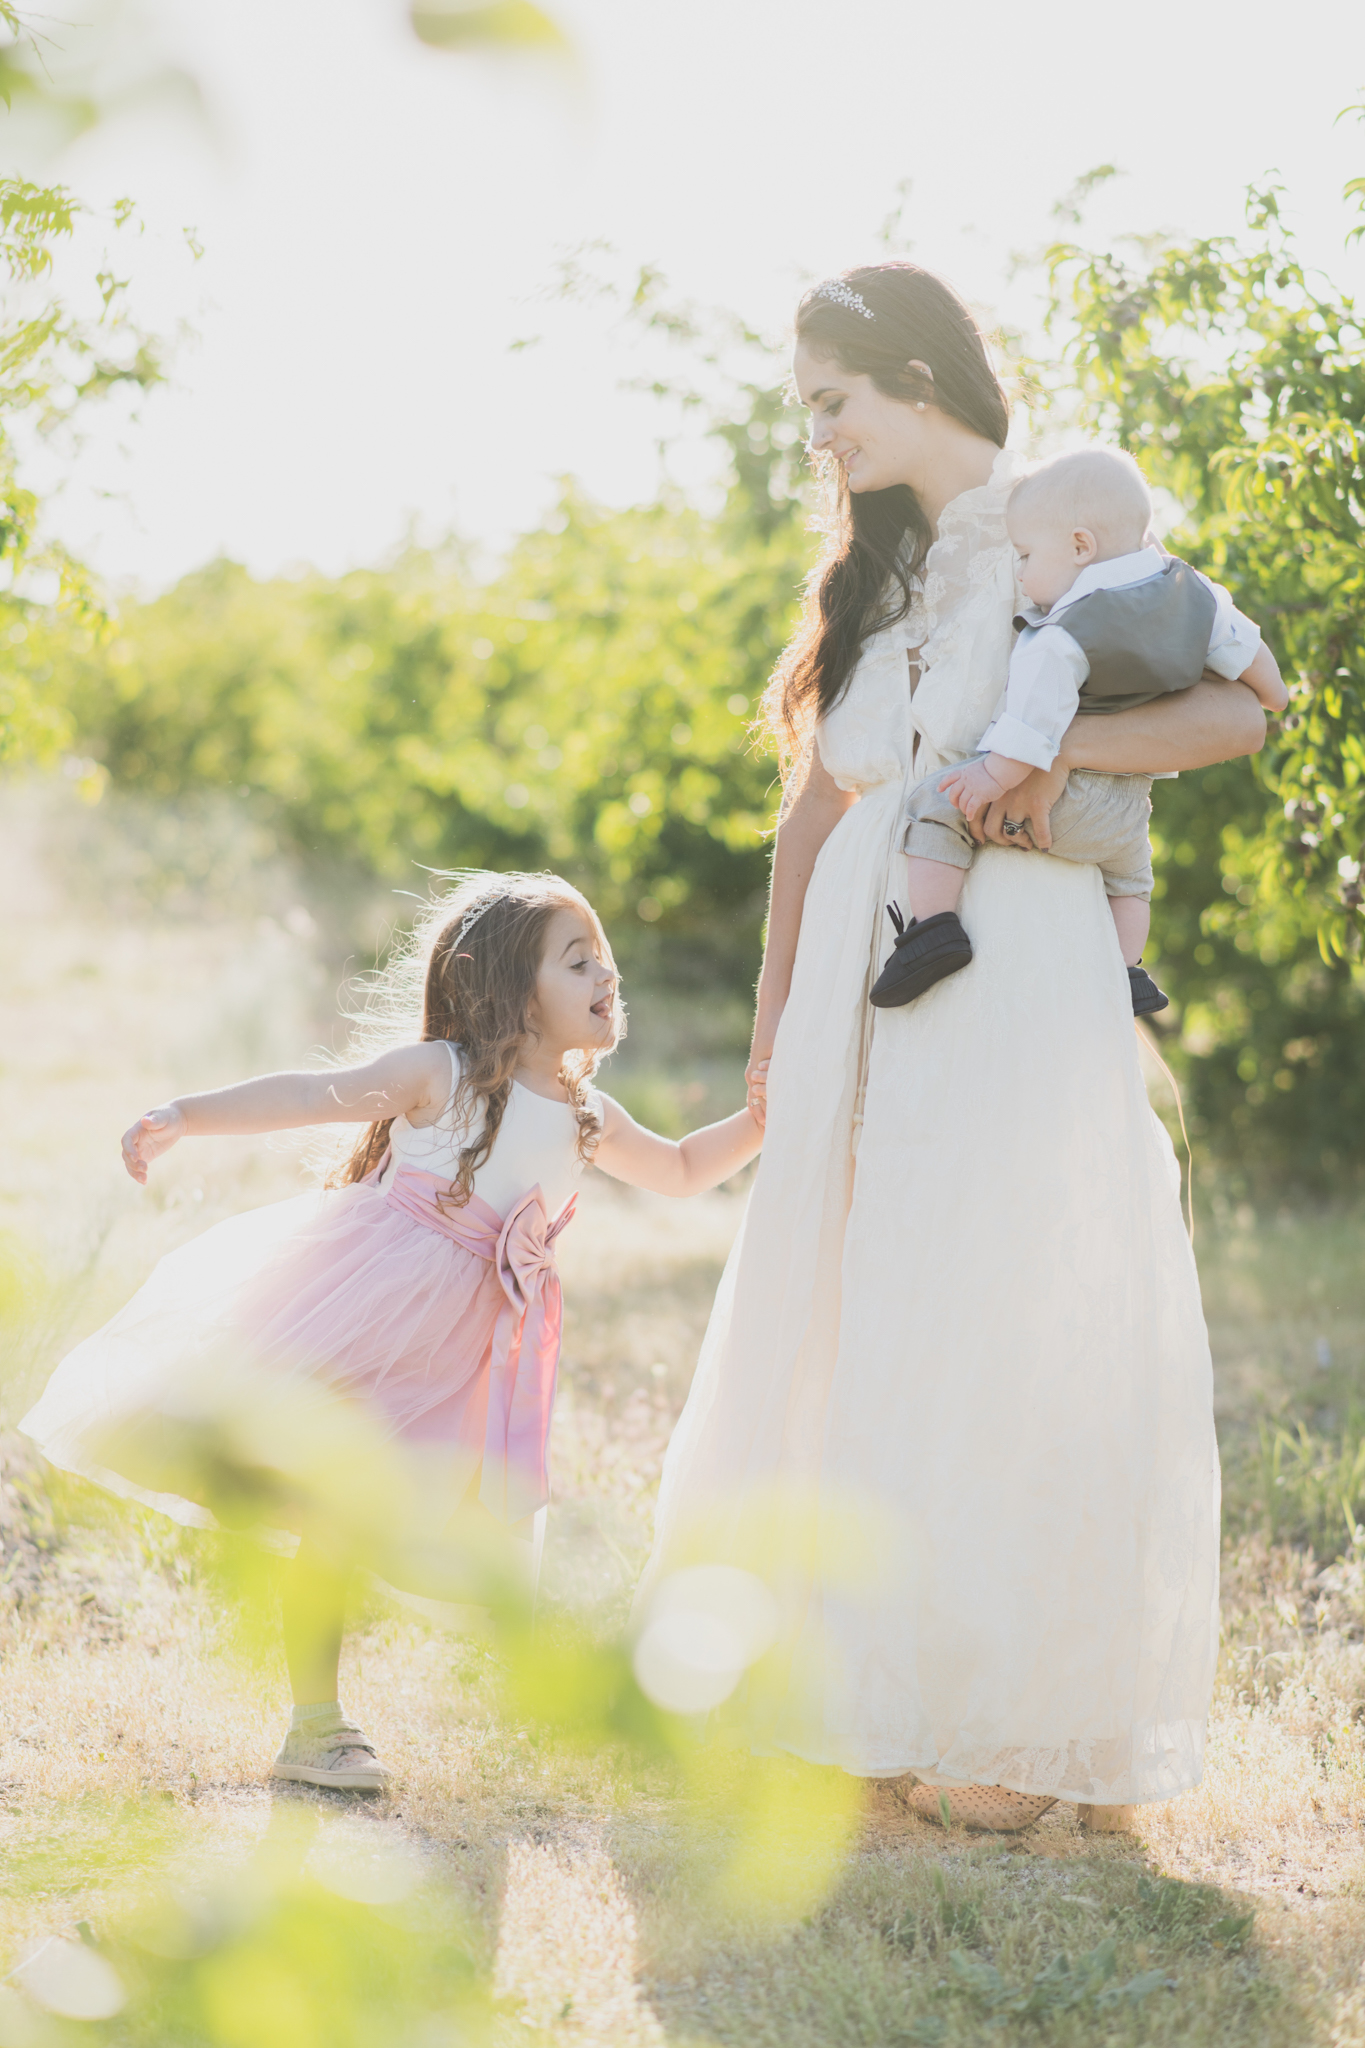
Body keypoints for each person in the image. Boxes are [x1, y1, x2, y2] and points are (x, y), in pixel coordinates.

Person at [637, 264, 1270, 1835]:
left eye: (831, 404)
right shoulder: (872, 571)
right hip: (865, 970)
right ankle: (856, 1696)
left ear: (916, 378)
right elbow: (810, 821)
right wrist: (774, 1034)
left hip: (1019, 960)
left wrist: (1040, 760)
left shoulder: (1070, 527)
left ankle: (1013, 1725)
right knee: (866, 1309)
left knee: (1010, 1306)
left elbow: (1244, 713)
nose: (819, 439)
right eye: (806, 414)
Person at [21, 871, 761, 1793]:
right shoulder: (440, 1074)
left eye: (604, 957)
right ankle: (316, 1728)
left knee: (468, 1543)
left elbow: (686, 1168)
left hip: (474, 1352)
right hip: (375, 1313)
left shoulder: (583, 1112)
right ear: (508, 993)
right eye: (579, 961)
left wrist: (763, 1120)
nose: (607, 974)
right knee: (334, 1513)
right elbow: (311, 1094)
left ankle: (537, 1715)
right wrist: (184, 1117)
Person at [871, 445, 1288, 1016]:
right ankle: (1126, 972)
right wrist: (1275, 694)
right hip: (1126, 809)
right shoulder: (1195, 593)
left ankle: (932, 932)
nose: (1020, 571)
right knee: (1132, 880)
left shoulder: (1063, 633)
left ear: (1078, 546)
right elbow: (1253, 657)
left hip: (1061, 801)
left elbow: (1030, 727)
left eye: (1024, 555)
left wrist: (991, 775)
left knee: (935, 806)